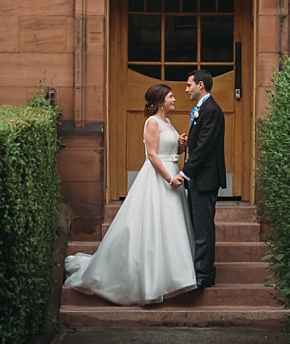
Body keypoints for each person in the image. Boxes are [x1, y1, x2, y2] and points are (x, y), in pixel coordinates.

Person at [63, 83, 197, 305]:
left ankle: (173, 277)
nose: (174, 99)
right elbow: (152, 155)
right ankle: (149, 282)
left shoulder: (167, 122)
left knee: (171, 226)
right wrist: (169, 178)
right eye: (171, 97)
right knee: (153, 226)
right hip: (160, 178)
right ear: (160, 101)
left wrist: (181, 145)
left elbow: (169, 151)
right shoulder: (152, 122)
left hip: (173, 173)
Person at [176, 69, 226, 290]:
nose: (186, 89)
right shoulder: (202, 109)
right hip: (200, 177)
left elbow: (205, 147)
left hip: (205, 177)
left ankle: (203, 275)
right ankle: (205, 271)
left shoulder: (211, 110)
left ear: (201, 85)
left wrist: (185, 172)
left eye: (189, 85)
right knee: (199, 225)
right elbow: (200, 142)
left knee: (203, 227)